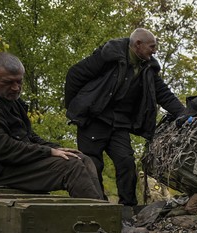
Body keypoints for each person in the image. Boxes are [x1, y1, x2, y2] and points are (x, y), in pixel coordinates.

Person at [65, 28, 185, 213]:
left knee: (126, 162)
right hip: (94, 120)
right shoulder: (108, 56)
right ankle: (98, 207)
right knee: (92, 165)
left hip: (119, 124)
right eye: (151, 47)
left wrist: (184, 114)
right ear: (138, 44)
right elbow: (75, 74)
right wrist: (78, 106)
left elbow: (163, 94)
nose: (154, 51)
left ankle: (128, 209)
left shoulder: (148, 68)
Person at [0, 52, 103, 200]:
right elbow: (3, 149)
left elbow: (28, 136)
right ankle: (98, 218)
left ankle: (104, 212)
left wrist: (55, 148)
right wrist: (48, 152)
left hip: (11, 165)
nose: (16, 88)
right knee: (72, 167)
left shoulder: (9, 100)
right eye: (8, 82)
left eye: (19, 82)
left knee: (81, 158)